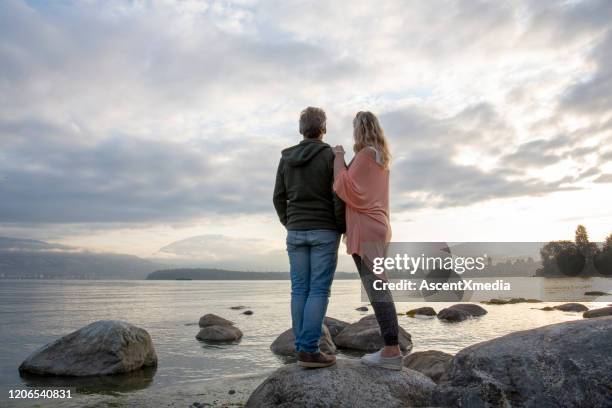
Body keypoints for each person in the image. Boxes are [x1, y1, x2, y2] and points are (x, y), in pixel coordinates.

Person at [273, 107, 346, 368]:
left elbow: (278, 197)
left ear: (300, 129)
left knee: (299, 290)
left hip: (295, 230)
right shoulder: (329, 156)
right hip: (324, 229)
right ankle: (309, 350)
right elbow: (339, 194)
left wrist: (289, 222)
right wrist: (339, 226)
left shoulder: (286, 158)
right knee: (318, 290)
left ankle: (302, 349)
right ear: (323, 128)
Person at [332, 111, 402, 370]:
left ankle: (391, 351)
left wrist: (339, 155)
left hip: (367, 228)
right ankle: (391, 348)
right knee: (380, 287)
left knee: (378, 289)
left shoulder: (365, 155)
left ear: (359, 130)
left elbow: (343, 186)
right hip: (379, 226)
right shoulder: (382, 158)